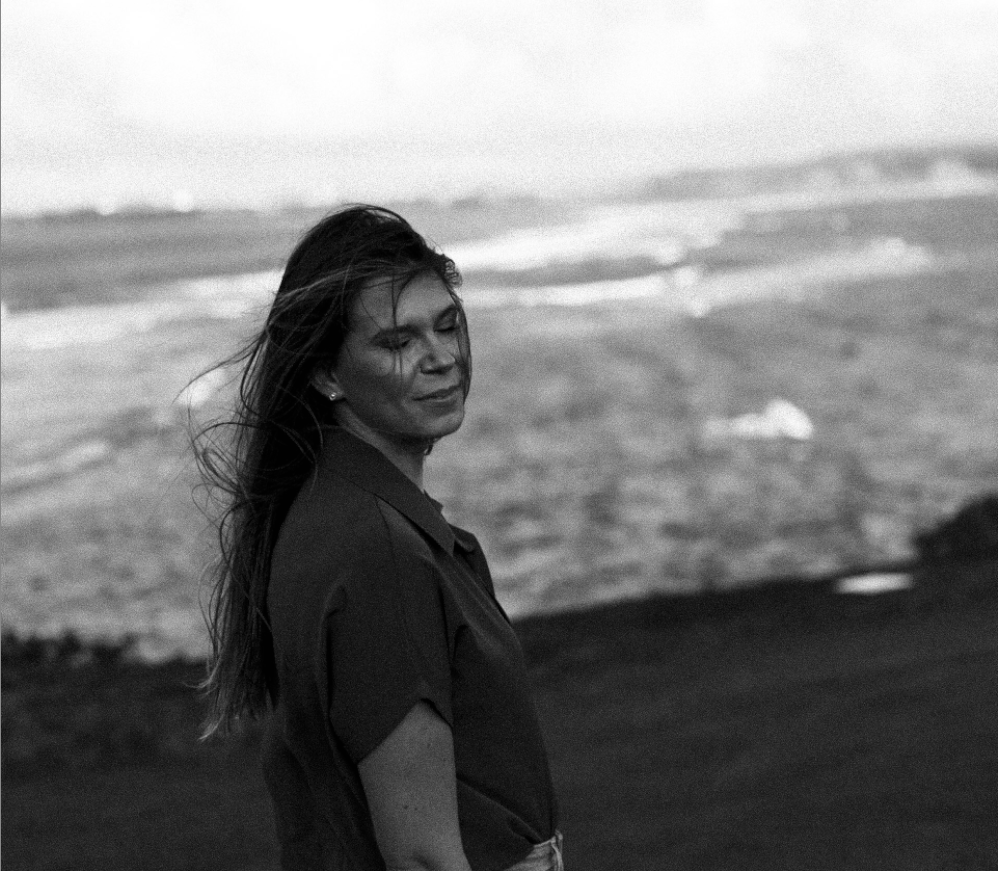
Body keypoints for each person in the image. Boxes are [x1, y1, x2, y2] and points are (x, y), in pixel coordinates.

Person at [196, 205, 562, 870]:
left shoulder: (328, 512)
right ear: (326, 374)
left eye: (447, 325)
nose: (442, 358)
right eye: (398, 343)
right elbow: (422, 856)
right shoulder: (380, 554)